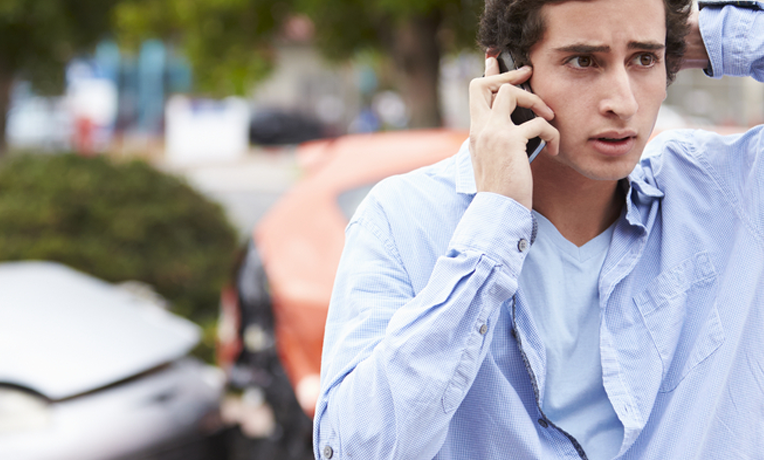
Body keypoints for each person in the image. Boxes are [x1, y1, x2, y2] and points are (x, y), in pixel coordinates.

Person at [314, 0, 763, 458]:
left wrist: (713, 37)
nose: (623, 103)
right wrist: (493, 228)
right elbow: (355, 448)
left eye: (643, 59)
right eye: (584, 60)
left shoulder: (724, 194)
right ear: (508, 70)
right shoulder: (404, 220)